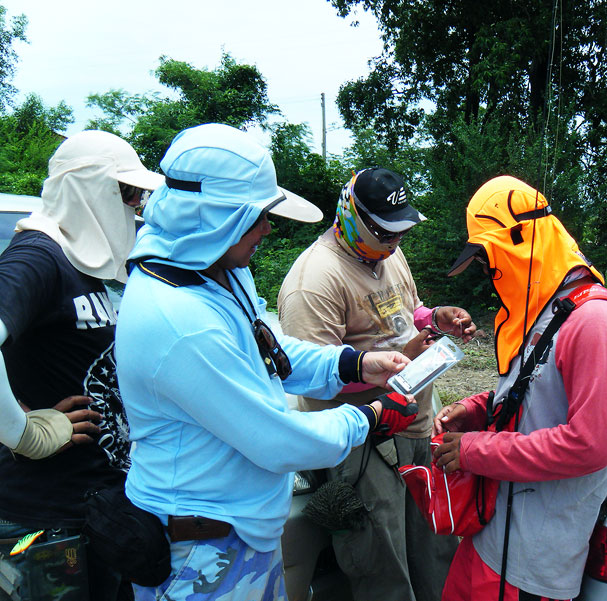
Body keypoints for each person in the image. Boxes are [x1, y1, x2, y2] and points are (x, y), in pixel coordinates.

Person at [114, 123, 419, 601]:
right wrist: (371, 418)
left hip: (241, 530)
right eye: (256, 215)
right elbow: (277, 440)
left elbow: (271, 351)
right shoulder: (179, 320)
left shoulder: (213, 272)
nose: (267, 228)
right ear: (216, 216)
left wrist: (353, 365)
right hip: (200, 554)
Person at [277, 167, 476, 601]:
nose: (395, 242)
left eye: (401, 232)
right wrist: (389, 372)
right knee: (381, 562)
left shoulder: (388, 253)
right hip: (364, 444)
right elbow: (313, 381)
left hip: (416, 424)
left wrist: (435, 317)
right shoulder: (314, 281)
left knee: (435, 545)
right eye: (386, 233)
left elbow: (410, 310)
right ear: (352, 217)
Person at [431, 175, 607, 601]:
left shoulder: (594, 323)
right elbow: (534, 394)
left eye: (489, 260)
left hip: (530, 564)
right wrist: (477, 409)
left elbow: (590, 445)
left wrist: (474, 449)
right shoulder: (541, 310)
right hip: (489, 536)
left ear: (519, 244)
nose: (488, 274)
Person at [0, 130, 164, 600]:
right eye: (127, 192)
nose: (135, 207)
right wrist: (22, 431)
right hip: (46, 519)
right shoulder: (39, 256)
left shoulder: (88, 264)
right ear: (87, 189)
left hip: (102, 512)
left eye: (139, 194)